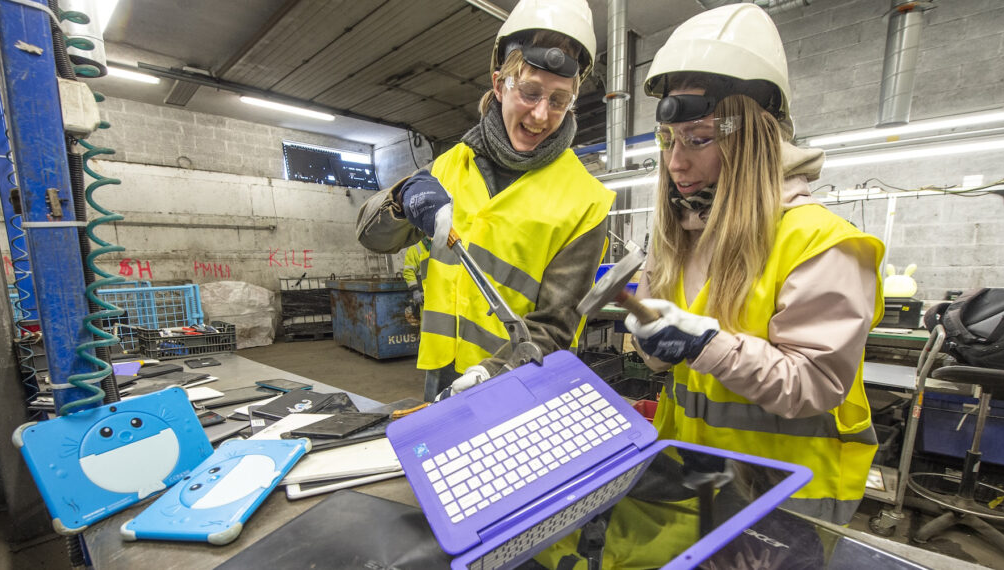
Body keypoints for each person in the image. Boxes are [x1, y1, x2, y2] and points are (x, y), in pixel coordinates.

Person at [535, 4, 885, 568]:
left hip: (786, 499)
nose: (675, 162)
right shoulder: (684, 235)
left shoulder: (823, 242)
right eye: (668, 140)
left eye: (697, 139)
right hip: (697, 481)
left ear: (752, 138)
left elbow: (815, 386)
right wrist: (651, 335)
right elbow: (661, 367)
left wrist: (706, 344)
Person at [357, 0, 614, 402]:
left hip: (518, 379)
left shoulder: (586, 201)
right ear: (499, 84)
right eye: (530, 92)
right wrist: (401, 197)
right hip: (438, 371)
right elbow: (373, 238)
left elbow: (557, 325)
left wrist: (491, 373)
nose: (542, 115)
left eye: (559, 100)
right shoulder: (449, 166)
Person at [401, 237, 431, 305]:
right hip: (424, 298)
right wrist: (415, 290)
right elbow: (409, 271)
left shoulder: (443, 247)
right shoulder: (415, 249)